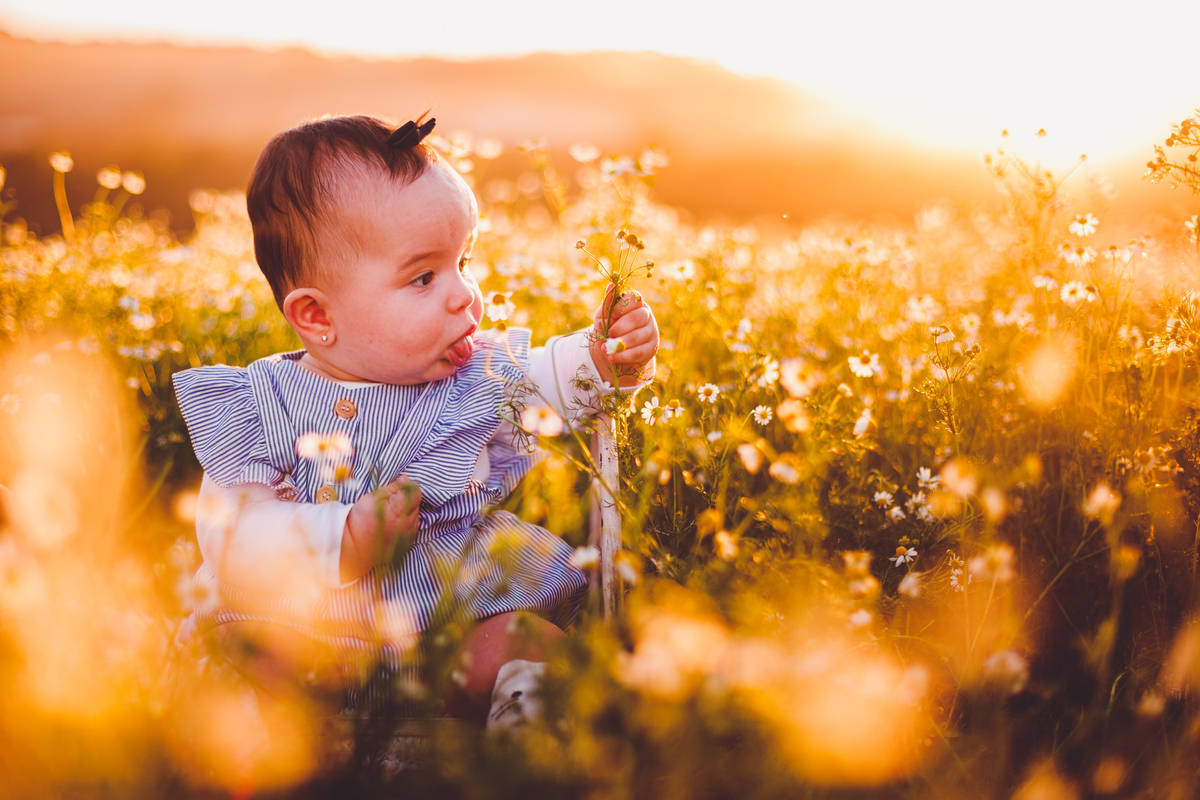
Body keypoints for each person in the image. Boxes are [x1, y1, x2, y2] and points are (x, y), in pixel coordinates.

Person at [172, 115, 658, 731]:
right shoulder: (258, 405)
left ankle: (528, 745)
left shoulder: (473, 377)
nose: (465, 297)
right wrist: (341, 536)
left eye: (464, 261)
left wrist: (605, 357)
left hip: (439, 645)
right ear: (317, 315)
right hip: (304, 645)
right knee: (245, 662)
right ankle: (285, 752)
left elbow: (552, 382)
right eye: (424, 277)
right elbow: (234, 532)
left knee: (521, 641)